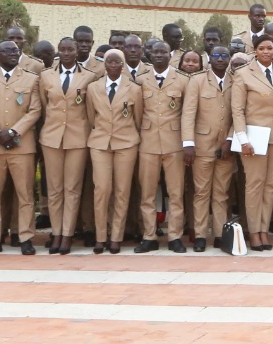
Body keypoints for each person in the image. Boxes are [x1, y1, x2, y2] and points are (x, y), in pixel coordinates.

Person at [0, 40, 43, 255]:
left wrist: (13, 132)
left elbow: (34, 111)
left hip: (21, 146)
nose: (13, 53)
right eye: (7, 50)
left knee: (25, 195)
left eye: (16, 50)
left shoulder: (31, 79)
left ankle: (25, 237)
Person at [231, 34, 273, 251]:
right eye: (262, 48)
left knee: (271, 185)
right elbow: (237, 109)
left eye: (270, 48)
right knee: (254, 185)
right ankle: (254, 231)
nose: (266, 52)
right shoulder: (243, 73)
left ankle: (265, 230)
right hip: (253, 137)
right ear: (255, 51)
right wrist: (242, 139)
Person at [37, 37, 94, 255]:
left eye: (71, 49)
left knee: (72, 189)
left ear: (78, 50)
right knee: (54, 189)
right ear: (58, 52)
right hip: (52, 138)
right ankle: (57, 232)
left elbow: (90, 111)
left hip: (77, 139)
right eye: (63, 49)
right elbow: (44, 107)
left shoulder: (89, 77)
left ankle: (68, 234)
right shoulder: (46, 76)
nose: (67, 53)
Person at [86, 49, 142, 254]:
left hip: (126, 143)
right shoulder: (93, 88)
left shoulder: (134, 89)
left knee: (122, 190)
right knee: (101, 189)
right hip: (100, 143)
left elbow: (138, 118)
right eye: (109, 61)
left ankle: (116, 236)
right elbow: (91, 117)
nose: (113, 65)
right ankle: (101, 236)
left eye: (117, 61)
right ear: (104, 64)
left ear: (123, 64)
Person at [180, 45, 234, 253]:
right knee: (201, 192)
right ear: (209, 59)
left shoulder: (235, 80)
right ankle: (201, 234)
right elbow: (188, 114)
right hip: (201, 146)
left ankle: (220, 234)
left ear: (228, 58)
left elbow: (238, 113)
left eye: (224, 55)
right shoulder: (197, 81)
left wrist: (230, 140)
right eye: (216, 56)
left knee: (221, 193)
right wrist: (188, 144)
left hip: (226, 147)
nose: (220, 59)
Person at [135, 41, 188, 253]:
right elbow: (138, 113)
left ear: (170, 55)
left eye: (163, 52)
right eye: (155, 52)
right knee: (147, 193)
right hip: (147, 142)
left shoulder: (183, 80)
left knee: (176, 193)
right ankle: (149, 236)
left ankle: (175, 236)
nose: (159, 55)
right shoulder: (140, 80)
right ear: (149, 53)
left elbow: (187, 112)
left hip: (174, 142)